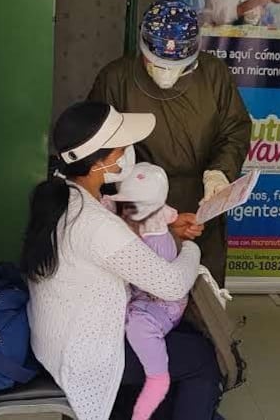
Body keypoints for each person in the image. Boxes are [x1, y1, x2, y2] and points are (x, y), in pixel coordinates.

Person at [23, 102, 223, 420]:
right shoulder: (95, 223)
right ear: (97, 163)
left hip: (54, 340)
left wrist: (166, 227)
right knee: (201, 358)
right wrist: (189, 249)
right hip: (86, 356)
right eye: (121, 148)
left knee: (180, 341)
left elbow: (114, 231)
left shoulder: (64, 196)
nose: (128, 152)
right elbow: (171, 285)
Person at [88, 0, 252, 285]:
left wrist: (219, 174)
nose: (166, 73)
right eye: (157, 63)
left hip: (201, 199)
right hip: (136, 204)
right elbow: (99, 147)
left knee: (202, 292)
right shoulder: (115, 79)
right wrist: (151, 213)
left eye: (176, 66)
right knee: (143, 300)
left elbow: (234, 129)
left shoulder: (214, 75)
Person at [110, 162, 186, 420]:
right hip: (143, 295)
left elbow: (152, 283)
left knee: (138, 327)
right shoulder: (143, 212)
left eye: (137, 207)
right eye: (126, 205)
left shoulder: (156, 243)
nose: (130, 213)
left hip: (160, 305)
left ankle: (155, 383)